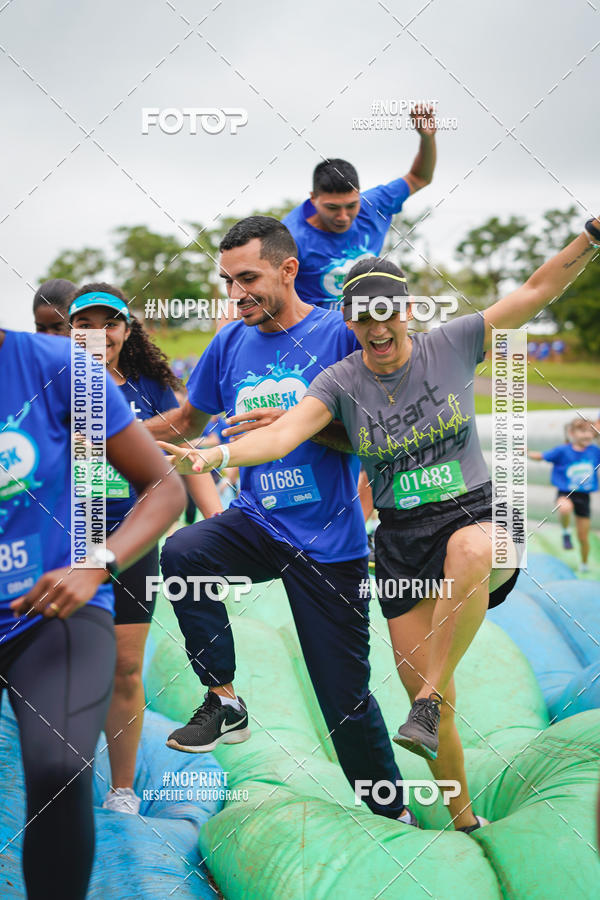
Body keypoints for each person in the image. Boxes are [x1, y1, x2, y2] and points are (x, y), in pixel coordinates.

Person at [171, 215, 600, 831]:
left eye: (386, 314)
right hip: (400, 542)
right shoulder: (340, 380)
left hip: (473, 515)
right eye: (362, 319)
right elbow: (284, 433)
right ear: (349, 325)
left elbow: (534, 290)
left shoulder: (453, 343)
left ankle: (425, 699)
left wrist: (589, 236)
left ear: (408, 313)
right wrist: (214, 454)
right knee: (431, 708)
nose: (376, 329)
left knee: (472, 556)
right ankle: (461, 816)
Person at [146, 215, 416, 826]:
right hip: (256, 525)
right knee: (185, 552)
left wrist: (300, 427)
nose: (236, 293)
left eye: (248, 279)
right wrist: (109, 436)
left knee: (343, 699)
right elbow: (188, 419)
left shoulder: (337, 335)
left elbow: (388, 433)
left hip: (329, 546)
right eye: (227, 281)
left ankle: (392, 812)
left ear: (288, 269)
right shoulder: (230, 343)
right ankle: (224, 701)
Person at [0, 327, 185, 899]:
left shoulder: (59, 368)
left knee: (58, 770)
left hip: (51, 615)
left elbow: (164, 487)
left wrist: (96, 563)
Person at [68, 284, 222, 815]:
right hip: (66, 544)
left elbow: (186, 455)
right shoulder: (49, 386)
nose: (97, 334)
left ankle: (122, 789)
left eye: (108, 323)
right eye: (83, 324)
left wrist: (217, 523)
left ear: (125, 331)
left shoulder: (152, 390)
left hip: (132, 546)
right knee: (60, 662)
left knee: (126, 668)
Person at [282, 105, 437, 309]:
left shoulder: (375, 204)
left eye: (351, 205)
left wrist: (427, 139)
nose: (344, 216)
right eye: (332, 208)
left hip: (366, 324)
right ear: (313, 198)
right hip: (315, 334)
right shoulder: (290, 237)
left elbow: (419, 177)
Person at [528, 417, 600, 572]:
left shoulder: (594, 451)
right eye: (583, 431)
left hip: (583, 497)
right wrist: (526, 453)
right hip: (566, 493)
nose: (587, 435)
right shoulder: (563, 451)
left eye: (590, 432)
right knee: (564, 508)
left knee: (583, 537)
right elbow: (541, 456)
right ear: (572, 433)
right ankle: (566, 531)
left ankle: (584, 563)